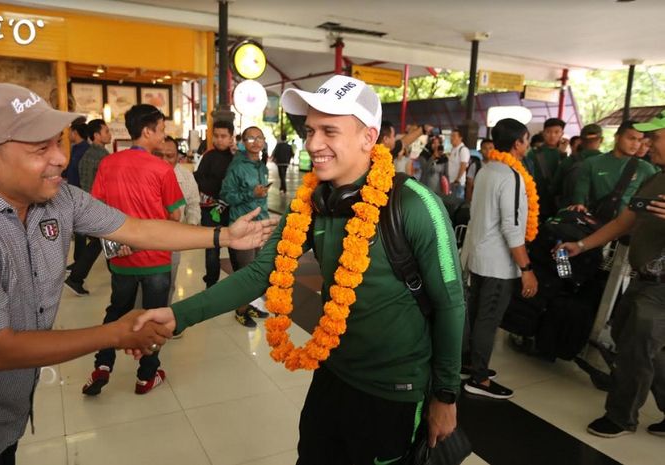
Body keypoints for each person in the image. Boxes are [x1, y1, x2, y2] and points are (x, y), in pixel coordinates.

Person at [134, 75, 466, 464]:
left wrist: (445, 396)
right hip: (333, 373)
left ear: (368, 137)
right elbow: (260, 275)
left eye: (329, 131)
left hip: (393, 388)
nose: (312, 144)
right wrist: (178, 315)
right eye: (310, 130)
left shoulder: (415, 205)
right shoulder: (313, 202)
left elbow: (451, 304)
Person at [0, 83, 276, 465]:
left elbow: (138, 228)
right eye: (39, 149)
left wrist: (223, 235)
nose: (61, 158)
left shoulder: (58, 198)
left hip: (7, 414)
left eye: (57, 143)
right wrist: (117, 332)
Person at [556, 111, 665, 439]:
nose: (646, 143)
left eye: (654, 137)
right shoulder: (654, 177)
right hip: (642, 278)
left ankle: (620, 416)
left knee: (636, 349)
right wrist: (582, 244)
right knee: (641, 344)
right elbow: (625, 221)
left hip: (660, 289)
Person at [80, 104, 185, 396]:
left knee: (117, 311)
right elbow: (175, 216)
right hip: (155, 256)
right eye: (162, 131)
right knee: (155, 318)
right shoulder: (162, 169)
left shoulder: (108, 164)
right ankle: (146, 376)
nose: (164, 137)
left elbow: (96, 209)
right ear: (147, 131)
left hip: (122, 258)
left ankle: (103, 364)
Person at [461, 118, 538, 400]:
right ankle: (479, 378)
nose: (527, 145)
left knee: (476, 313)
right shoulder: (510, 176)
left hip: (478, 256)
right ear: (517, 143)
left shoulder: (485, 170)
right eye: (527, 140)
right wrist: (526, 268)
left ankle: (468, 362)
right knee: (487, 319)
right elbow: (512, 227)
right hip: (497, 263)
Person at [220, 126, 271, 327]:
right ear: (243, 141)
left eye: (260, 138)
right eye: (251, 138)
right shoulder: (237, 166)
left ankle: (248, 304)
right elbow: (226, 195)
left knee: (257, 269)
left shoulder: (261, 165)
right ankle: (240, 310)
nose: (256, 142)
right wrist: (252, 194)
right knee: (245, 272)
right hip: (243, 226)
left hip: (261, 224)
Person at [570, 120, 657, 221]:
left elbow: (651, 203)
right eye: (631, 138)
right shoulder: (592, 163)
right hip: (596, 224)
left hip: (627, 228)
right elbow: (580, 194)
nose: (636, 144)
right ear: (617, 137)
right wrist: (579, 205)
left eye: (639, 140)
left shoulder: (645, 169)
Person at [65, 118, 113, 295]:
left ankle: (76, 278)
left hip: (90, 204)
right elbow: (107, 185)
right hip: (100, 206)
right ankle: (76, 278)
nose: (110, 134)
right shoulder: (102, 156)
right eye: (106, 131)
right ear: (96, 135)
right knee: (106, 240)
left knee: (99, 243)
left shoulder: (88, 154)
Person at [154, 136, 201, 305]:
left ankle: (162, 320)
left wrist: (192, 225)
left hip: (173, 240)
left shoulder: (186, 177)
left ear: (178, 157)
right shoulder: (144, 174)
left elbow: (194, 205)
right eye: (159, 155)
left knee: (168, 283)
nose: (165, 160)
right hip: (145, 238)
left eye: (170, 156)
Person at [194, 120, 235, 289]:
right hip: (210, 210)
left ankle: (238, 288)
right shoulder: (208, 156)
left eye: (223, 136)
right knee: (212, 249)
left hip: (232, 210)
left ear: (231, 137)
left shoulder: (237, 158)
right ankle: (211, 285)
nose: (219, 140)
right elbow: (198, 178)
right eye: (216, 136)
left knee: (236, 250)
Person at [552, 123, 603, 209]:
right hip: (600, 213)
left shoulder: (568, 162)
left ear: (581, 141)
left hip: (572, 212)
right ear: (601, 140)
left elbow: (555, 188)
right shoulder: (607, 162)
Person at [526, 118, 568, 220]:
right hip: (537, 200)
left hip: (557, 202)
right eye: (548, 132)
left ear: (562, 133)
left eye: (556, 132)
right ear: (543, 133)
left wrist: (563, 154)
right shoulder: (534, 153)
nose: (552, 135)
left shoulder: (564, 154)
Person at [64, 117, 90, 269]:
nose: (68, 135)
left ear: (75, 132)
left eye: (69, 132)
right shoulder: (75, 149)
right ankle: (78, 263)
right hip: (72, 193)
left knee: (81, 231)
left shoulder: (85, 150)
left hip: (81, 195)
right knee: (78, 230)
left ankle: (79, 265)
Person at [465, 138, 494, 202]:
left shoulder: (498, 167)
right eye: (485, 148)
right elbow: (469, 186)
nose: (488, 151)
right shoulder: (475, 166)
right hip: (477, 200)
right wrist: (470, 201)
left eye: (490, 148)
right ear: (480, 150)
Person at [448, 128, 471, 200]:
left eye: (454, 136)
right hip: (452, 181)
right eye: (451, 136)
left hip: (458, 183)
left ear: (460, 138)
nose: (451, 138)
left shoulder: (463, 149)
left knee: (457, 202)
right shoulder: (453, 149)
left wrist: (457, 179)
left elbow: (463, 166)